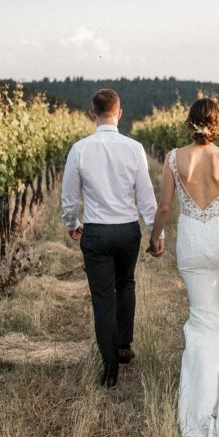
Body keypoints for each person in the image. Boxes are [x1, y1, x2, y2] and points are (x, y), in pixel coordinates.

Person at [149, 97, 219, 437]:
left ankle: (204, 398)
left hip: (193, 240)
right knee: (211, 303)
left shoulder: (174, 158)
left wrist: (154, 237)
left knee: (201, 314)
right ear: (215, 122)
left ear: (189, 121)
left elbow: (165, 205)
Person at [61, 89, 163, 388]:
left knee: (103, 297)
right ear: (119, 112)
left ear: (93, 113)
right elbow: (146, 198)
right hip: (127, 229)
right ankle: (123, 346)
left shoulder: (79, 149)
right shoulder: (134, 148)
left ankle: (109, 369)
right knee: (126, 283)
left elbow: (69, 196)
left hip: (97, 231)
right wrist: (158, 234)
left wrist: (72, 223)